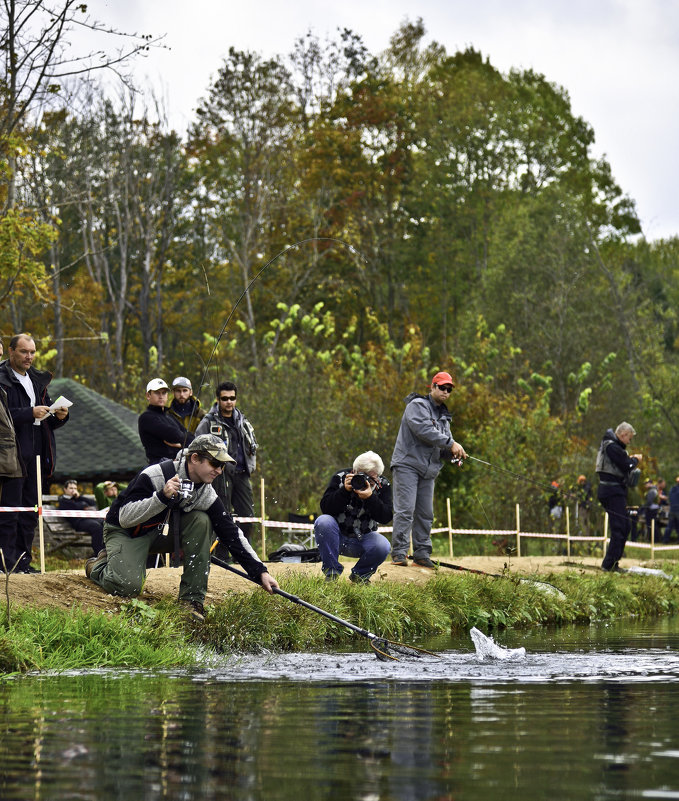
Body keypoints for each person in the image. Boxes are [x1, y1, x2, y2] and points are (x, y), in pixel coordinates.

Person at [85, 433, 278, 621]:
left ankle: (191, 600)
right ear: (195, 458)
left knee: (202, 520)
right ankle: (98, 564)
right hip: (127, 532)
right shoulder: (154, 475)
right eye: (215, 464)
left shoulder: (206, 492)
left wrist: (260, 571)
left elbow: (231, 533)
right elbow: (125, 518)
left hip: (162, 532)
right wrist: (161, 497)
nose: (220, 470)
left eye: (223, 466)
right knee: (127, 587)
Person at [0, 334, 69, 573]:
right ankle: (5, 564)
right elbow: (5, 416)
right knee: (10, 511)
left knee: (30, 511)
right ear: (11, 352)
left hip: (39, 452)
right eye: (23, 351)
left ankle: (23, 563)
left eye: (32, 352)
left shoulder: (38, 380)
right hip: (11, 454)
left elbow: (45, 417)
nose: (29, 356)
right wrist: (30, 412)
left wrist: (60, 415)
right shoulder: (2, 379)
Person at [390, 371, 467, 569]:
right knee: (406, 510)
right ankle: (399, 553)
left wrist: (453, 453)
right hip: (407, 464)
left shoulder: (444, 416)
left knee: (426, 513)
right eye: (442, 387)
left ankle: (421, 554)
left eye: (449, 389)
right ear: (432, 387)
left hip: (428, 471)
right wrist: (451, 443)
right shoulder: (416, 405)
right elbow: (424, 431)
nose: (446, 392)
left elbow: (441, 447)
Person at [314, 451, 392, 583]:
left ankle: (360, 576)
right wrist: (344, 491)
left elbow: (386, 517)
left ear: (377, 476)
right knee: (323, 521)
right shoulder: (340, 477)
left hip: (364, 539)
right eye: (361, 475)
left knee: (383, 545)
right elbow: (325, 508)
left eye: (370, 477)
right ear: (354, 470)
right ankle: (331, 573)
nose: (364, 480)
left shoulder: (383, 485)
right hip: (337, 537)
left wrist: (370, 498)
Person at [195, 381, 257, 543]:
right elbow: (197, 444)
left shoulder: (242, 421)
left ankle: (245, 552)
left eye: (232, 398)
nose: (229, 402)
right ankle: (221, 554)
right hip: (220, 475)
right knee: (222, 514)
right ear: (218, 399)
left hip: (242, 474)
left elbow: (252, 446)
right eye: (225, 398)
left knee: (247, 515)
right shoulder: (208, 422)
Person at [596, 422, 643, 572]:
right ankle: (608, 565)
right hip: (611, 491)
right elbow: (625, 465)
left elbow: (624, 463)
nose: (629, 442)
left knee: (625, 526)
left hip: (617, 491)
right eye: (629, 438)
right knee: (619, 527)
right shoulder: (611, 446)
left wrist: (631, 460)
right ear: (623, 435)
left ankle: (614, 563)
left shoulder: (615, 447)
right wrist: (635, 460)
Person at [138, 377, 194, 464]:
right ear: (148, 395)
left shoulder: (169, 416)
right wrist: (183, 441)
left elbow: (191, 437)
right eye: (157, 393)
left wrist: (181, 444)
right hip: (158, 465)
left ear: (167, 396)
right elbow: (173, 434)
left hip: (176, 463)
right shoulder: (146, 418)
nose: (161, 396)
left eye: (164, 393)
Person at [58, 479, 104, 555]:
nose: (73, 490)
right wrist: (83, 505)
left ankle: (105, 550)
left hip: (88, 519)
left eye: (75, 488)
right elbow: (76, 506)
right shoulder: (63, 500)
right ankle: (98, 553)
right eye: (71, 488)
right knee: (96, 527)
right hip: (78, 522)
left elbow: (92, 503)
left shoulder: (77, 498)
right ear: (65, 489)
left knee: (105, 523)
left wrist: (80, 497)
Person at [662, 476, 679, 544]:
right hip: (678, 510)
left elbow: (670, 499)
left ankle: (665, 540)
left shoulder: (672, 489)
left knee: (670, 526)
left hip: (672, 510)